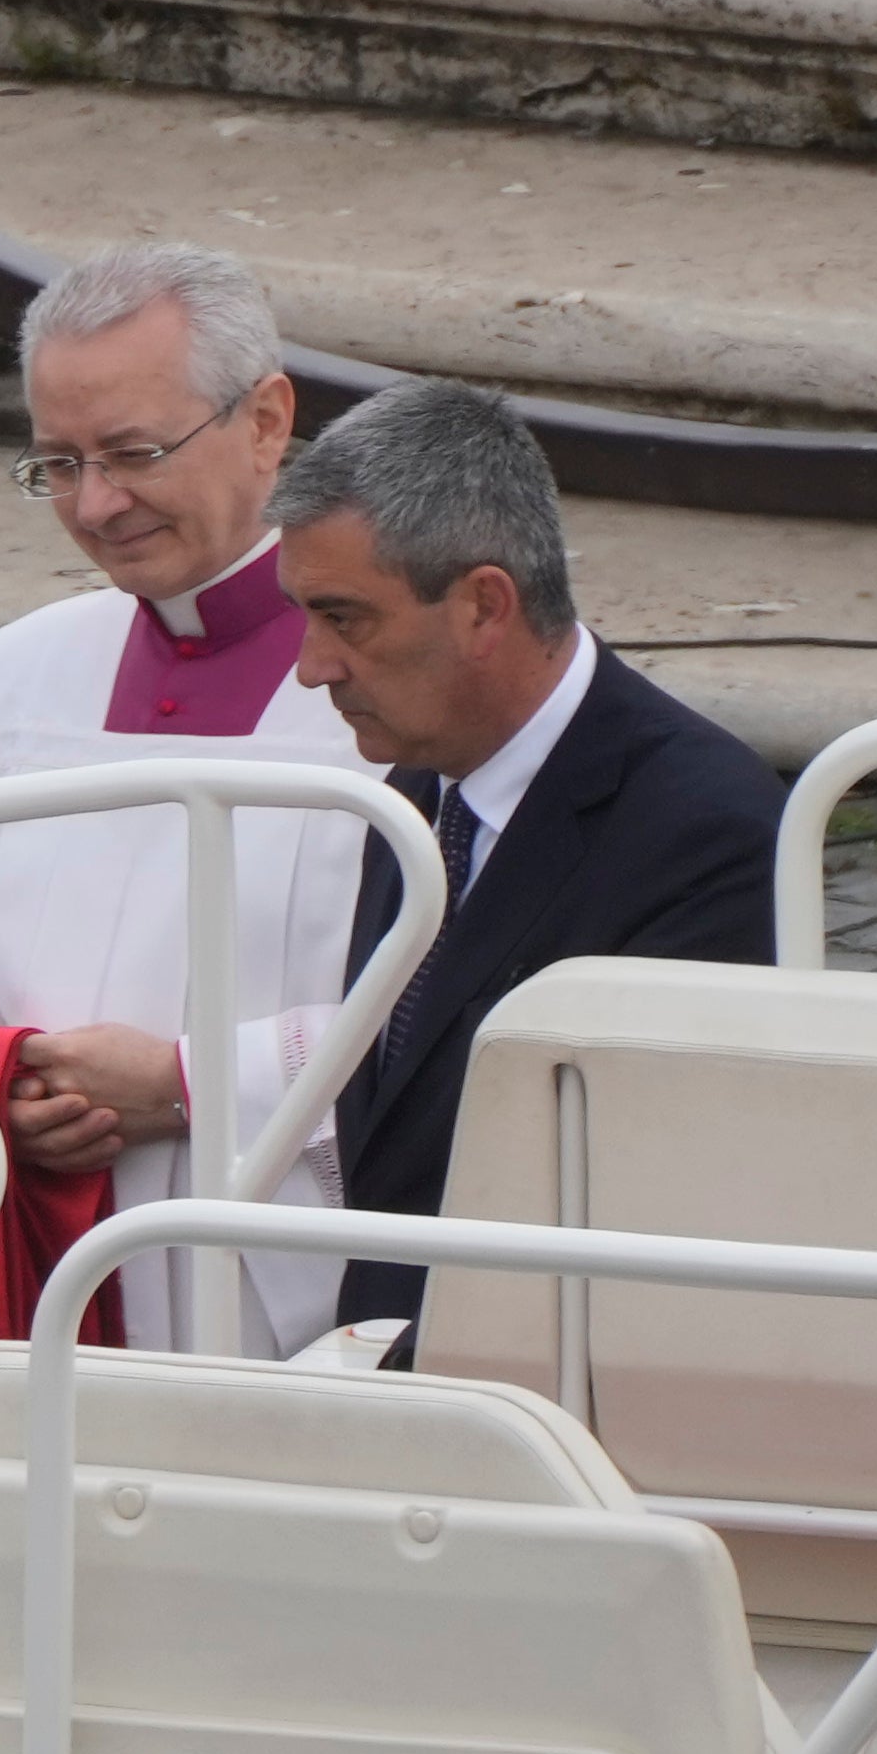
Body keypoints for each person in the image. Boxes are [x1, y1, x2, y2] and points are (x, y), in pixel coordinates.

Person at [0, 241, 382, 1354]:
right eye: (59, 464)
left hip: (284, 1305)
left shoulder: (391, 692)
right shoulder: (27, 669)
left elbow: (457, 1007)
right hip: (47, 1268)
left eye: (133, 452)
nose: (97, 504)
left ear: (267, 420)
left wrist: (190, 1084)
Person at [269, 377, 784, 1340]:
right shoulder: (420, 789)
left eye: (347, 618)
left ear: (482, 607)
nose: (312, 665)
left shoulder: (703, 831)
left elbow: (660, 1198)